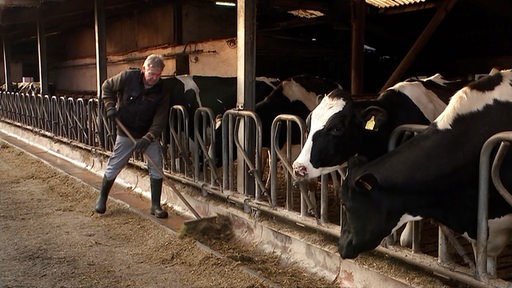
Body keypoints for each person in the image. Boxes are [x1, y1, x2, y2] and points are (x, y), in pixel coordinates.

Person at [95, 54, 170, 218]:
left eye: (158, 75)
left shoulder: (162, 90)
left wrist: (148, 138)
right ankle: (102, 198)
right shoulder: (128, 77)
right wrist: (109, 106)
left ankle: (155, 205)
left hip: (147, 133)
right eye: (151, 74)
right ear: (144, 69)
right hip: (125, 130)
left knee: (156, 165)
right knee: (116, 163)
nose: (154, 78)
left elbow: (160, 118)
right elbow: (106, 86)